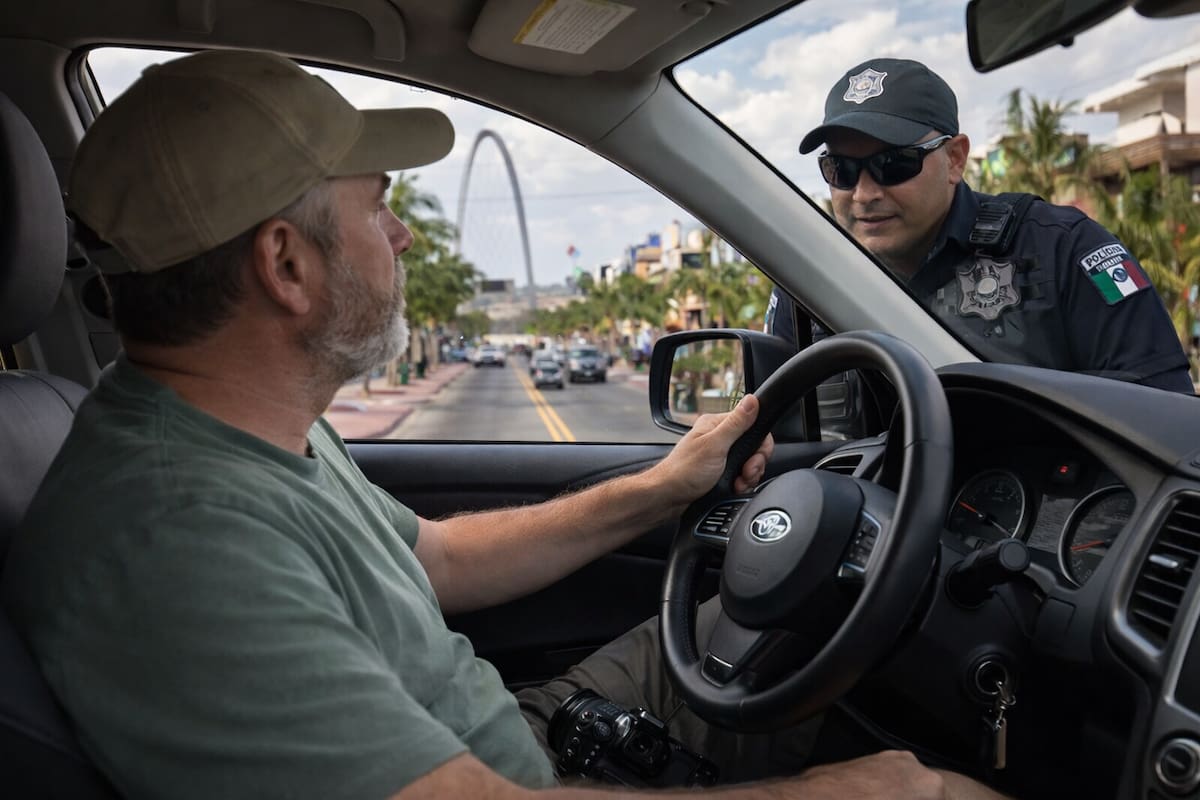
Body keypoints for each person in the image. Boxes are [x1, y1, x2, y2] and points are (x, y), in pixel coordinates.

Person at [2, 50, 1003, 800]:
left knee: (770, 621)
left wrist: (663, 484)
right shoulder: (177, 539)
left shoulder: (225, 429)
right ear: (287, 265)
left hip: (507, 733)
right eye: (379, 209)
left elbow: (426, 559)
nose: (401, 236)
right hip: (502, 772)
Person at [766, 57, 1193, 395]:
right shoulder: (808, 282)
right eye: (840, 169)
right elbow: (771, 431)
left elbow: (1164, 412)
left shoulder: (1062, 249)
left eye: (892, 164)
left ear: (954, 159)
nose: (863, 193)